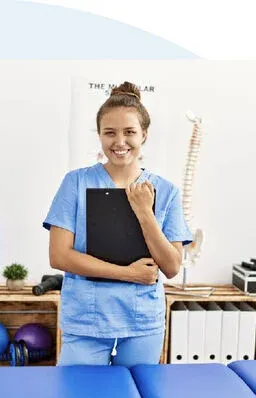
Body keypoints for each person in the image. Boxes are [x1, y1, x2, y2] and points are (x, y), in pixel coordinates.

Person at [43, 81, 193, 367]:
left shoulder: (167, 191)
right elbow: (59, 256)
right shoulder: (76, 183)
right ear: (99, 135)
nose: (119, 142)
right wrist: (128, 274)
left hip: (142, 323)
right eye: (109, 132)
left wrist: (145, 213)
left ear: (144, 135)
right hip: (86, 320)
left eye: (129, 132)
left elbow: (172, 267)